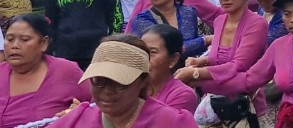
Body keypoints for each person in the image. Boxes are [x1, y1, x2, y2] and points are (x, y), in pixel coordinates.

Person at [52, 34, 197, 127]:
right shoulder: (75, 120)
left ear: (142, 81)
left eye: (119, 83)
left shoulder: (172, 122)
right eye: (99, 81)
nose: (107, 91)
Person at [184, 0, 270, 120]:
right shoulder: (219, 21)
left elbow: (238, 65)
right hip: (214, 107)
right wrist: (200, 61)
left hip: (244, 108)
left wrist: (196, 73)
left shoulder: (257, 24)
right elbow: (219, 56)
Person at [0, 13, 91, 126]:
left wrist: (80, 112)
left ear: (44, 43)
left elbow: (99, 107)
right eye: (9, 39)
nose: (15, 45)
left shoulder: (67, 71)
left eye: (24, 39)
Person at [129, 0, 209, 58]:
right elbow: (169, 50)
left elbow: (193, 44)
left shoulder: (188, 13)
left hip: (189, 68)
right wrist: (205, 40)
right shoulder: (142, 20)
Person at [141, 24, 197, 113]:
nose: (144, 58)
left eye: (152, 52)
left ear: (173, 59)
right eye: (142, 51)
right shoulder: (131, 88)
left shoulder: (182, 95)